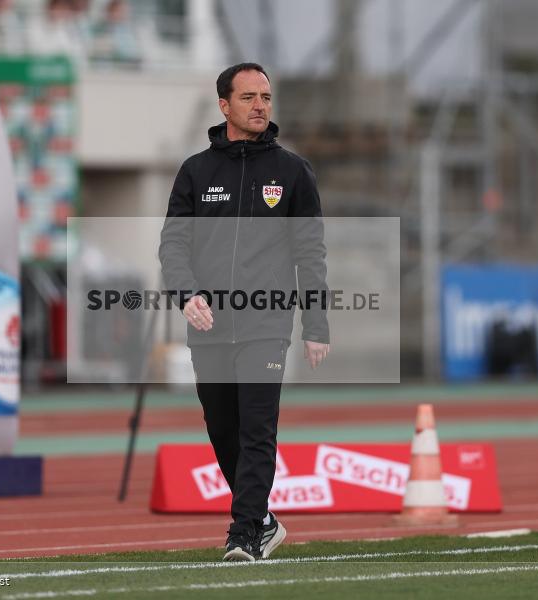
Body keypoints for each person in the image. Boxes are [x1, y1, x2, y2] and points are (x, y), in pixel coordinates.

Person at [159, 63, 330, 562]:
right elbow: (173, 245)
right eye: (250, 97)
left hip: (266, 324)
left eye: (267, 97)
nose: (260, 106)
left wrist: (316, 324)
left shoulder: (293, 173)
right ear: (224, 105)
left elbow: (311, 255)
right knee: (223, 430)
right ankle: (265, 519)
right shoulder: (195, 171)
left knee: (258, 429)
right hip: (209, 326)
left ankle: (243, 534)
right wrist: (186, 294)